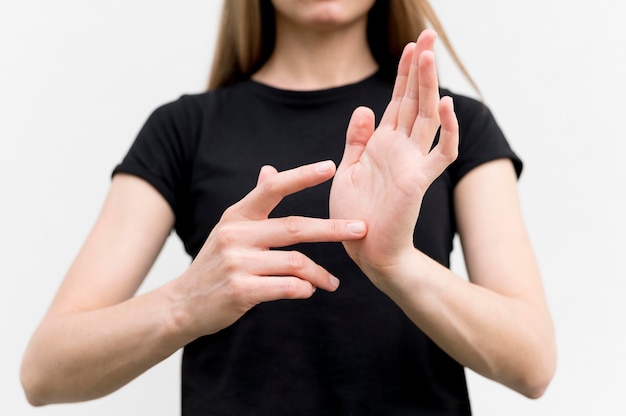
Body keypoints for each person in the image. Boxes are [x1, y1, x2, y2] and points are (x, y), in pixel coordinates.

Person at [21, 0, 557, 414]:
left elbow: (531, 362)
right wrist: (184, 303)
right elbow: (45, 371)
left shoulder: (451, 127)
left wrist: (398, 264)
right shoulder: (183, 129)